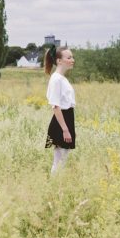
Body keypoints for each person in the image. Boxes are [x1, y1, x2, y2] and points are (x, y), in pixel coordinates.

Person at [44, 44, 76, 174]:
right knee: (59, 162)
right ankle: (55, 188)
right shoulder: (56, 79)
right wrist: (65, 130)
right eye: (69, 57)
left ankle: (55, 188)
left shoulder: (61, 78)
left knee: (60, 161)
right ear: (59, 61)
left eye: (72, 57)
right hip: (61, 121)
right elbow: (55, 106)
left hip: (66, 119)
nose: (72, 60)